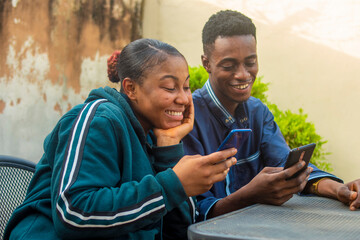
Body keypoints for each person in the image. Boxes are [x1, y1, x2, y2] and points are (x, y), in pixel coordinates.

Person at [4, 38, 238, 240]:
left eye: (186, 87)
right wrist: (172, 185)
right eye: (169, 87)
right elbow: (73, 213)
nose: (184, 99)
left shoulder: (153, 133)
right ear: (131, 88)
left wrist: (169, 148)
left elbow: (176, 231)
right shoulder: (98, 120)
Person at [183, 10, 360, 221]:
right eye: (229, 66)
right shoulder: (187, 119)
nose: (242, 74)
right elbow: (193, 212)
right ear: (206, 63)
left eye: (250, 62)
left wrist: (340, 190)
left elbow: (290, 167)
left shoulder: (258, 112)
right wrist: (250, 195)